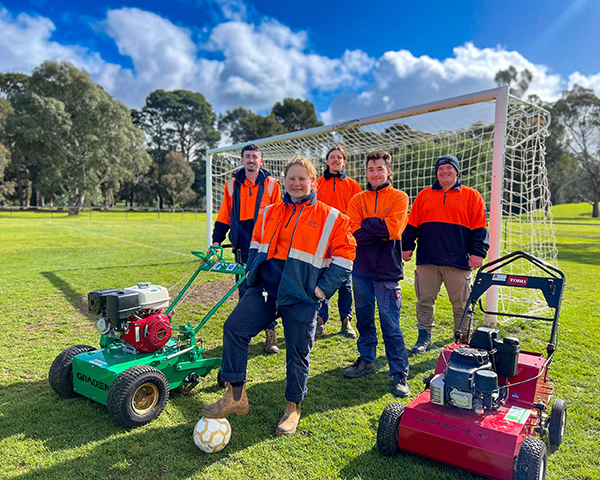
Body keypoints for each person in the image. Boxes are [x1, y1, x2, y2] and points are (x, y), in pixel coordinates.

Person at [202, 156, 356, 436]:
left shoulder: (332, 217)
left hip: (301, 297)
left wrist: (321, 290)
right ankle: (236, 397)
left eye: (302, 179)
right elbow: (255, 248)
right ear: (284, 181)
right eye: (291, 178)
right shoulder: (270, 212)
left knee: (297, 353)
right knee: (234, 328)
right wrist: (251, 277)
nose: (296, 184)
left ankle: (293, 408)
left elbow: (345, 261)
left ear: (312, 182)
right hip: (265, 290)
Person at [402, 154, 490, 354]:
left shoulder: (472, 195)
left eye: (449, 168)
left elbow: (480, 228)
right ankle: (424, 337)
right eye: (440, 169)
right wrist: (407, 246)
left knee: (461, 304)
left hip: (459, 260)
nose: (444, 172)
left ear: (457, 171)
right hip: (428, 259)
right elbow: (411, 225)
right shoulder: (424, 195)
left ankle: (462, 340)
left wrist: (478, 252)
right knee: (425, 300)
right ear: (436, 173)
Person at [343, 149, 411, 398]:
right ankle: (367, 359)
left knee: (391, 324)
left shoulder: (400, 197)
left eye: (379, 169)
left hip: (387, 271)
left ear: (388, 171)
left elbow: (392, 230)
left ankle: (399, 372)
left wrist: (369, 225)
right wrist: (378, 226)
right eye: (370, 169)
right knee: (364, 319)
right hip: (360, 270)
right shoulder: (357, 198)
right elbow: (351, 231)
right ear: (366, 172)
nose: (374, 173)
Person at [211, 144, 282, 354]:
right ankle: (246, 332)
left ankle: (271, 336)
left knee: (268, 292)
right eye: (247, 156)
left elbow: (279, 216)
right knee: (244, 292)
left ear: (261, 161)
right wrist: (216, 241)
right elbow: (224, 215)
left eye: (255, 157)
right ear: (242, 160)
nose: (251, 160)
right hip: (241, 249)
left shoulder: (272, 184)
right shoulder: (232, 185)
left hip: (265, 250)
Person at [315, 145, 362, 339]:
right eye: (332, 157)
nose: (335, 160)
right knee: (322, 279)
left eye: (339, 157)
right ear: (327, 161)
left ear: (344, 162)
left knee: (345, 283)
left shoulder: (353, 186)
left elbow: (358, 213)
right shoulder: (316, 184)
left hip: (344, 241)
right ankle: (320, 321)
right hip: (321, 242)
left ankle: (346, 321)